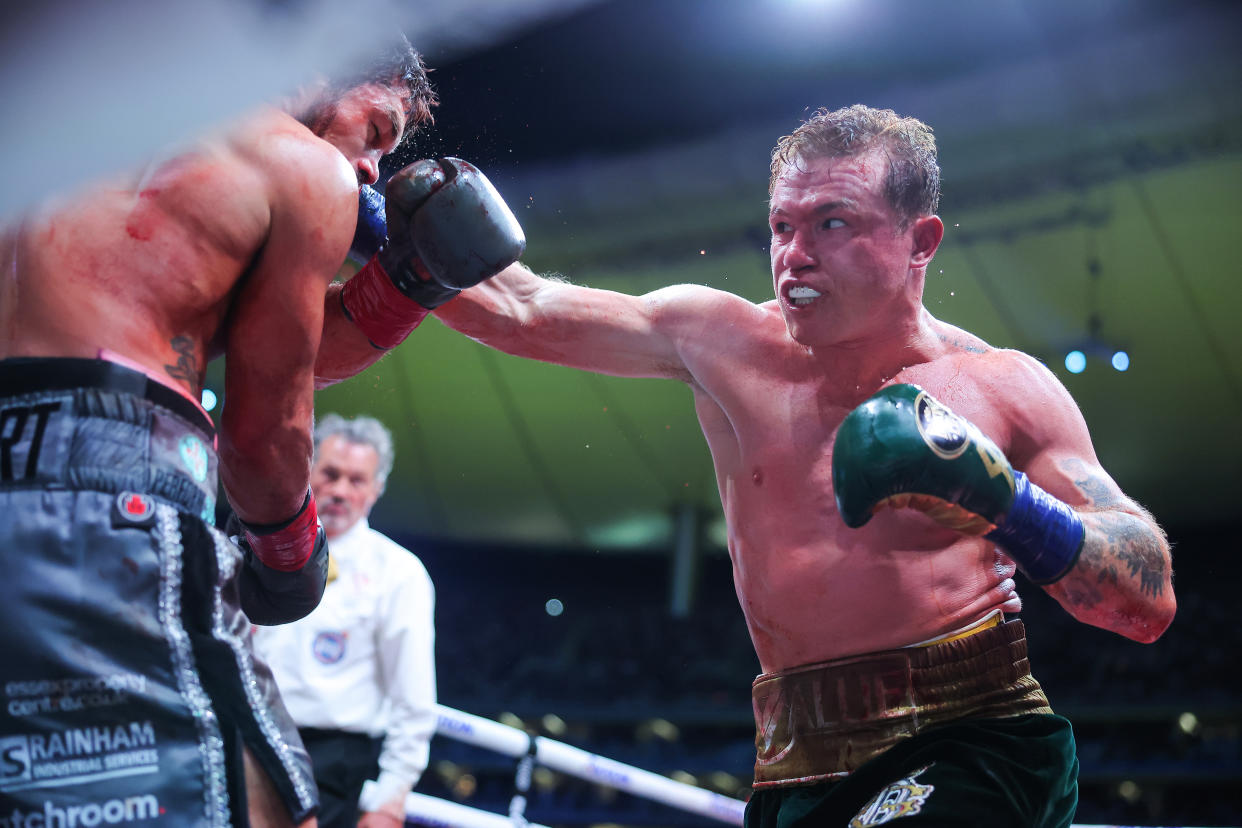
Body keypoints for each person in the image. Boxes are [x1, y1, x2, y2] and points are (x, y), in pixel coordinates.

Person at [431, 105, 1176, 825]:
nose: (795, 254)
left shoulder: (998, 388)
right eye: (782, 226)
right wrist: (364, 220)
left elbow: (1145, 603)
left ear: (921, 241)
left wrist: (1004, 500)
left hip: (972, 740)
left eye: (833, 222)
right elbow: (518, 309)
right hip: (794, 766)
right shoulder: (720, 342)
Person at [0, 34, 522, 827]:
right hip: (112, 486)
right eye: (376, 129)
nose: (375, 170)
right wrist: (291, 549)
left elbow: (265, 337)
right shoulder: (295, 163)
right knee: (272, 807)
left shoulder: (65, 115)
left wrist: (407, 286)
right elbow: (264, 431)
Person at [252, 414, 436, 828]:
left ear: (376, 490)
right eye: (330, 474)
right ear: (307, 472)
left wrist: (390, 798)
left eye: (356, 480)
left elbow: (414, 701)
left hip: (332, 765)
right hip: (250, 741)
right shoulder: (257, 548)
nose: (339, 491)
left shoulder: (398, 573)